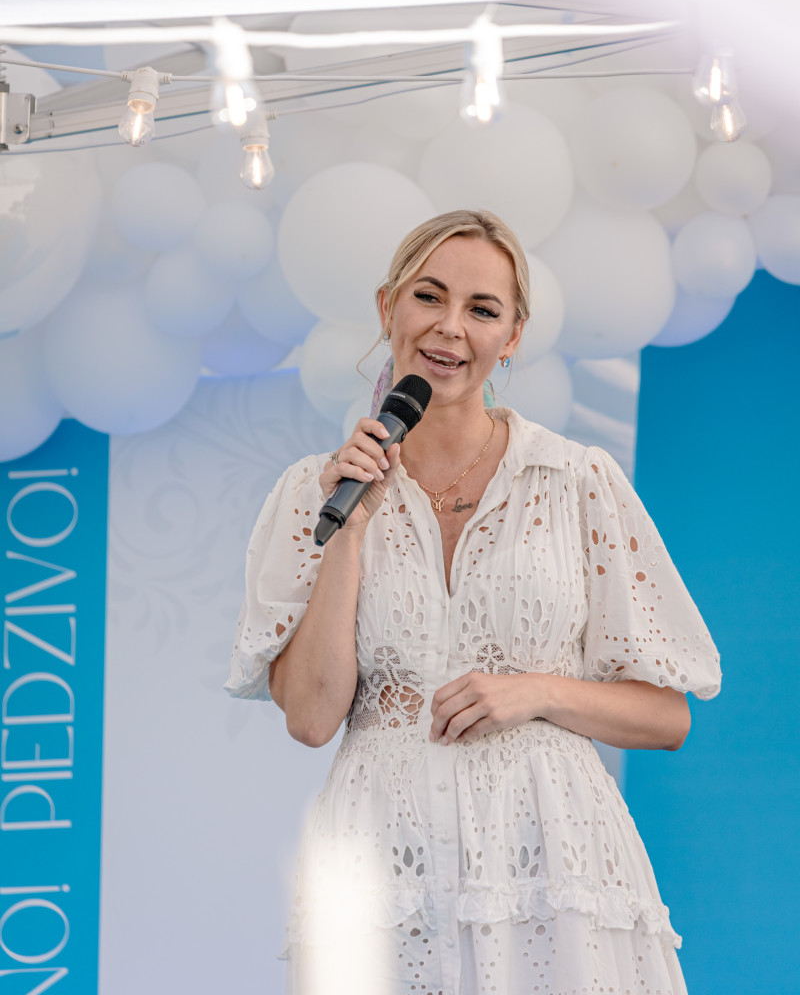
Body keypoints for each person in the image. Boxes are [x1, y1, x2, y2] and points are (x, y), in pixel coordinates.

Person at [225, 208, 722, 995]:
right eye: (429, 296)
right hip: (384, 870)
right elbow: (312, 719)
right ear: (388, 307)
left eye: (482, 309)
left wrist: (537, 693)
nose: (450, 327)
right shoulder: (313, 492)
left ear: (512, 336)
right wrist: (349, 532)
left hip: (555, 865)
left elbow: (669, 717)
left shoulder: (575, 480)